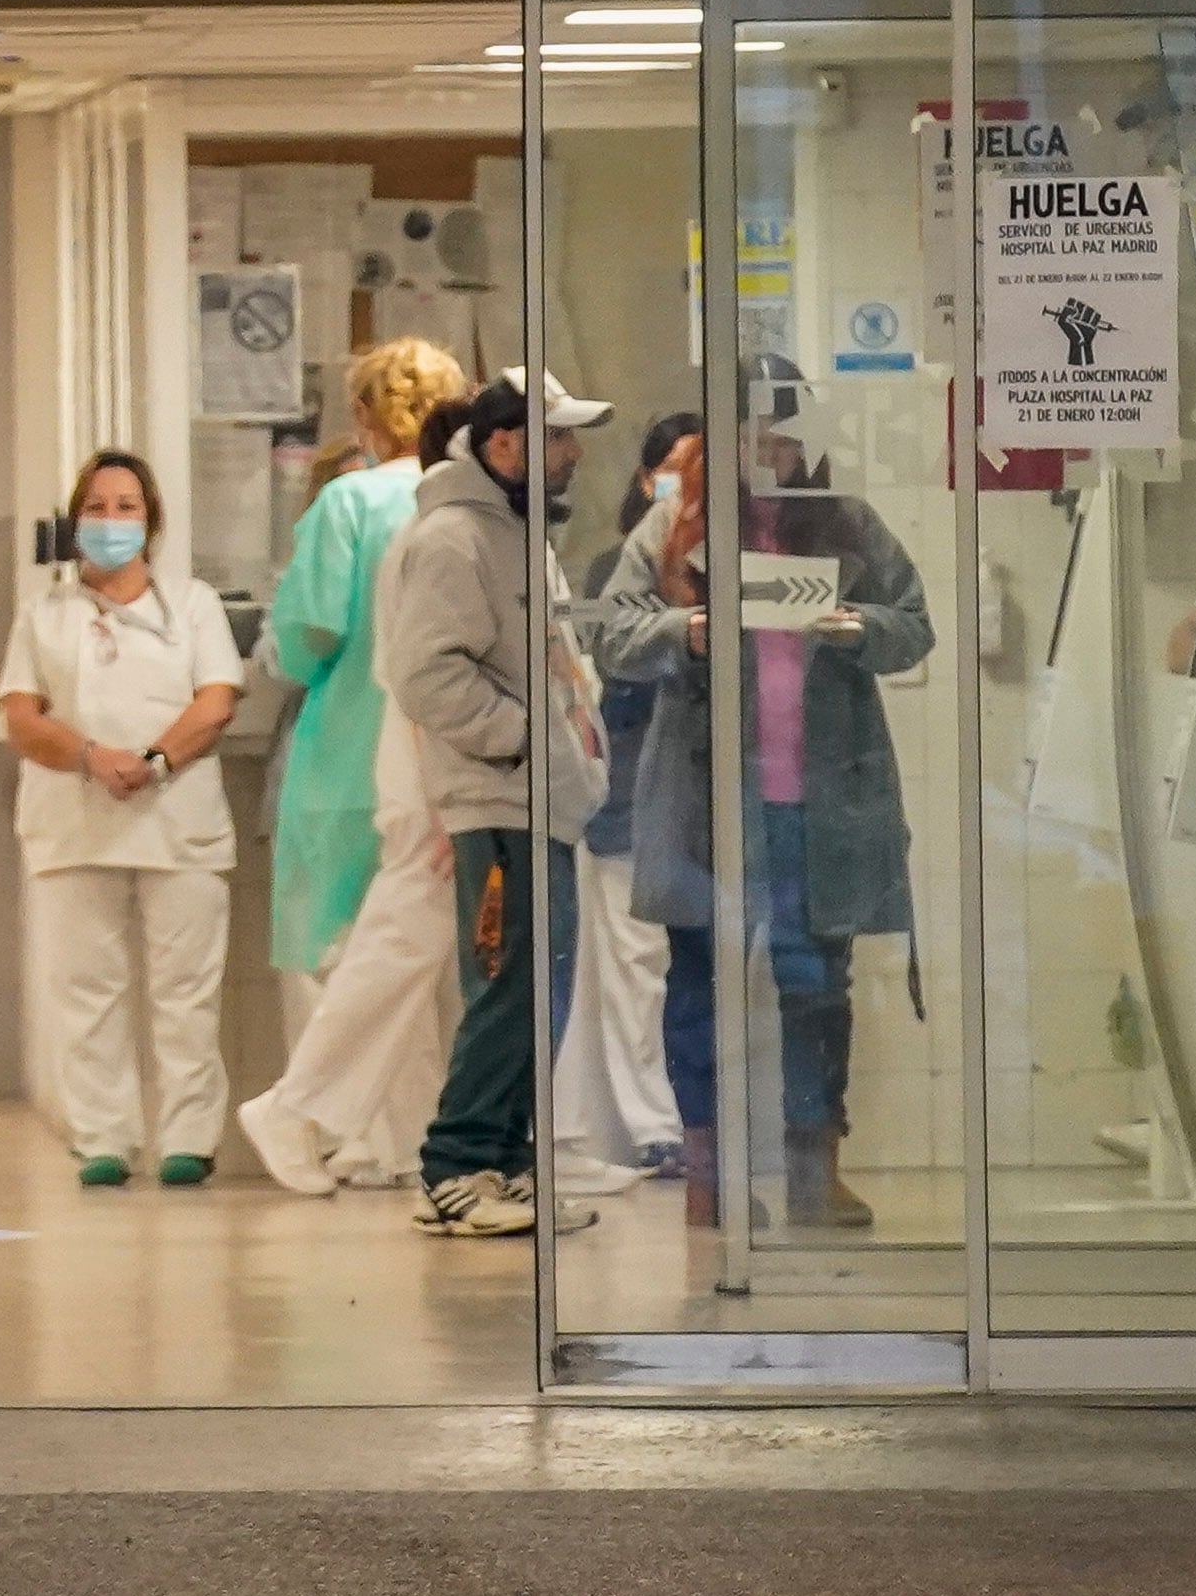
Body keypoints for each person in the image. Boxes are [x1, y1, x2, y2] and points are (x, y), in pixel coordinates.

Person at [589, 358, 932, 1232]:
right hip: (709, 802)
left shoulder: (849, 525)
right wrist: (691, 632)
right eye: (751, 434)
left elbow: (913, 625)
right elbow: (616, 637)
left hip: (818, 803)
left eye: (783, 434)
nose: (768, 450)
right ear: (723, 439)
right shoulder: (672, 527)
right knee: (700, 983)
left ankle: (815, 1165)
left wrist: (857, 628)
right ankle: (706, 1178)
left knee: (816, 985)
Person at [384, 370, 615, 1237]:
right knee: (507, 986)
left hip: (541, 797)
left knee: (539, 989)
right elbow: (425, 675)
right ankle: (454, 1166)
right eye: (557, 437)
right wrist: (519, 737)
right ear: (503, 444)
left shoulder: (519, 536)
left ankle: (507, 1159)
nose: (573, 453)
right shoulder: (451, 541)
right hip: (499, 800)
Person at [239, 379, 480, 1196]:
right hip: (425, 755)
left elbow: (307, 637)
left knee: (378, 951)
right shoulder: (452, 512)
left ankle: (392, 1139)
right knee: (408, 950)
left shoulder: (357, 503)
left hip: (352, 752)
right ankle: (375, 1133)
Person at [0, 449, 247, 1187]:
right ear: (76, 522)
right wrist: (89, 756)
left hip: (178, 823)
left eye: (126, 507)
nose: (111, 522)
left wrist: (156, 760)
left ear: (152, 521)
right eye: (97, 508)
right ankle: (102, 1137)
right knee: (86, 990)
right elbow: (21, 715)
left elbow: (216, 701)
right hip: (74, 822)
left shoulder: (192, 605)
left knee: (185, 993)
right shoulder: (43, 617)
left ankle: (188, 1139)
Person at [255, 338, 475, 1021]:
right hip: (454, 774)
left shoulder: (349, 503)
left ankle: (348, 1131)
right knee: (442, 985)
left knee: (343, 976)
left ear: (363, 414)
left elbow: (305, 639)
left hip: (347, 772)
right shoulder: (477, 506)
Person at [550, 412, 699, 1180]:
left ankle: (693, 1121)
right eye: (671, 469)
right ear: (646, 481)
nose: (682, 486)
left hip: (704, 801)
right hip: (631, 794)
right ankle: (654, 1127)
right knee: (637, 967)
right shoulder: (615, 568)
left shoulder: (740, 563)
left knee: (692, 971)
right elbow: (607, 679)